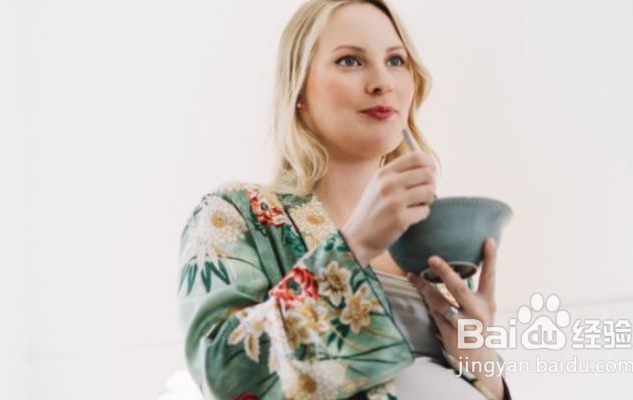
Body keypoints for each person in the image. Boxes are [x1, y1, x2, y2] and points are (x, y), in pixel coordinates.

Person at [176, 1, 512, 398]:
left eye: (396, 61)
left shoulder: (433, 246)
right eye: (350, 61)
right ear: (298, 88)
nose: (382, 82)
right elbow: (223, 373)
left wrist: (482, 363)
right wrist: (353, 247)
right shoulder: (236, 215)